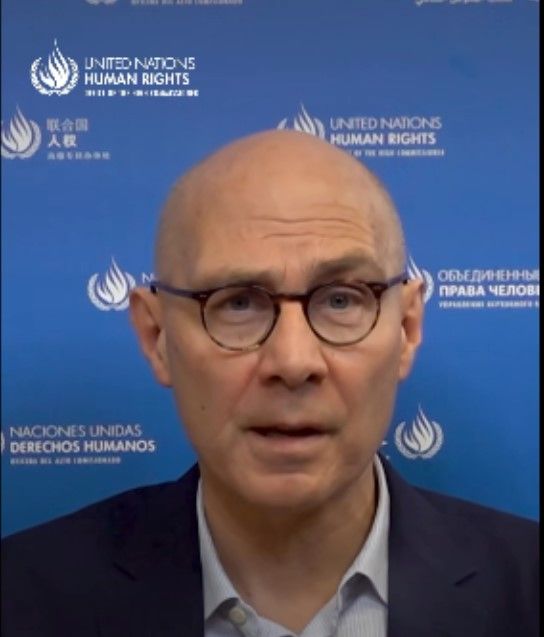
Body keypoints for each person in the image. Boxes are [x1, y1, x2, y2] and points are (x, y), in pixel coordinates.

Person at [1, 130, 538, 637]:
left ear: (407, 329)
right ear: (157, 336)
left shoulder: (525, 590)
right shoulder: (22, 598)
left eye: (341, 300)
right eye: (237, 303)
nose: (293, 361)